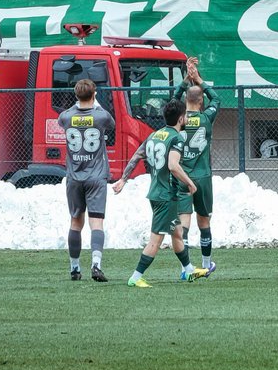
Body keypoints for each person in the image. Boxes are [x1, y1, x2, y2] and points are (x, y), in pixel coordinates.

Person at [113, 99, 208, 287]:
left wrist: (124, 178)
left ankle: (188, 270)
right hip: (166, 196)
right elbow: (173, 166)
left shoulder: (155, 135)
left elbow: (138, 155)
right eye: (186, 115)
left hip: (157, 192)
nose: (187, 117)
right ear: (181, 118)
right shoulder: (176, 138)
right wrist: (190, 183)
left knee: (177, 233)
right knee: (156, 240)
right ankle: (135, 277)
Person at [56, 78, 113, 282]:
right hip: (96, 177)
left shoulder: (67, 116)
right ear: (94, 94)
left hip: (74, 177)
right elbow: (111, 123)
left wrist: (79, 101)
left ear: (75, 94)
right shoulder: (100, 116)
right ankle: (96, 265)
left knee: (75, 222)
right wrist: (94, 102)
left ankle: (74, 268)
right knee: (96, 223)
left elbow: (63, 118)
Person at [176, 56, 220, 277]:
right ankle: (206, 263)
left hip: (182, 175)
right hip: (202, 176)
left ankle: (185, 268)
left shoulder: (178, 118)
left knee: (184, 221)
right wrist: (198, 79)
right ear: (201, 102)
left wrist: (186, 79)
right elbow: (217, 99)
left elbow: (171, 100)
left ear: (185, 100)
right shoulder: (206, 118)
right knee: (204, 220)